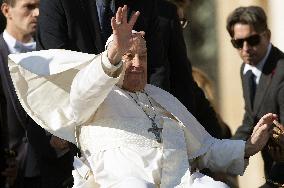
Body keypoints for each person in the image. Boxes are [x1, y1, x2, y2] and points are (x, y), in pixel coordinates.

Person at [8, 6, 280, 187]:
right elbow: (81, 94)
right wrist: (112, 55)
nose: (137, 63)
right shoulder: (98, 95)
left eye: (143, 56)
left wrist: (248, 147)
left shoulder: (163, 97)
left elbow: (205, 148)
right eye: (129, 56)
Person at [36, 0, 226, 139]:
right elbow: (56, 65)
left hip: (136, 127)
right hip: (72, 125)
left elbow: (156, 68)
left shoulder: (144, 5)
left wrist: (157, 121)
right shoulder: (57, 3)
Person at [0, 0, 73, 187]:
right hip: (9, 170)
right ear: (7, 10)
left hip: (54, 165)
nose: (38, 13)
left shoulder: (53, 52)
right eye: (29, 7)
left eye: (39, 6)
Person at [226, 6, 284, 187]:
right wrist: (223, 153)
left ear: (267, 35)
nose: (245, 49)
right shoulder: (246, 69)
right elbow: (250, 119)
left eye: (252, 40)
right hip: (273, 168)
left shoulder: (282, 70)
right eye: (238, 43)